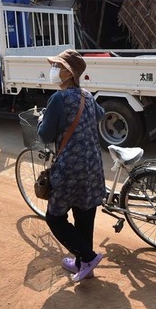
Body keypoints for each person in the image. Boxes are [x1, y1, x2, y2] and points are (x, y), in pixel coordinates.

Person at [37, 49, 106, 282]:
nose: (54, 70)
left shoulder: (59, 98)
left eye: (58, 66)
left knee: (55, 218)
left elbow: (45, 135)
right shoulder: (87, 95)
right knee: (84, 214)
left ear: (68, 74)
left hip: (70, 168)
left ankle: (88, 256)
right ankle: (82, 264)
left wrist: (42, 120)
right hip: (92, 166)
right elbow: (100, 114)